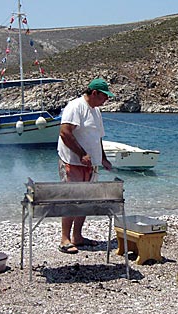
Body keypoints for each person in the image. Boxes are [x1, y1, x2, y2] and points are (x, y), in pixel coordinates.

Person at [57, 78, 114, 253]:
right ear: (95, 93)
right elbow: (65, 133)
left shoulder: (96, 111)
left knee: (86, 200)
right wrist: (82, 154)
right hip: (72, 162)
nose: (106, 101)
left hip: (91, 164)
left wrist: (103, 158)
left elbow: (98, 138)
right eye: (104, 97)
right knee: (72, 199)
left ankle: (78, 236)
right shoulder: (76, 107)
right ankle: (64, 239)